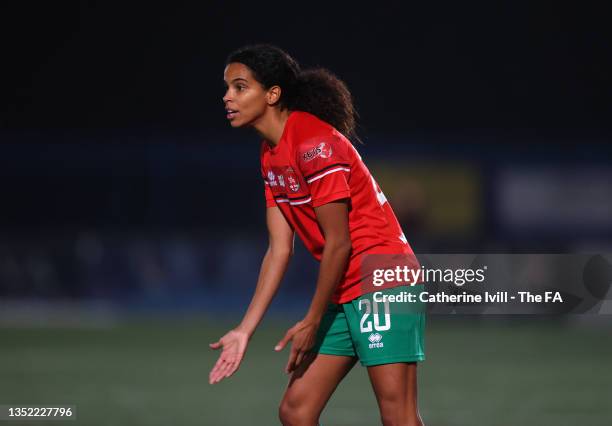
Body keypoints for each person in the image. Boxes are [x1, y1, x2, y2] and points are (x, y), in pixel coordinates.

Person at [209, 44, 426, 426]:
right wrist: (244, 330)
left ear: (273, 94)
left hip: (382, 279)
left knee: (398, 416)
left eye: (240, 87)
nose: (228, 97)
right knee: (296, 411)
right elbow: (279, 249)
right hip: (345, 288)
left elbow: (339, 242)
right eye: (227, 87)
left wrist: (311, 320)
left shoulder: (313, 144)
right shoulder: (270, 154)